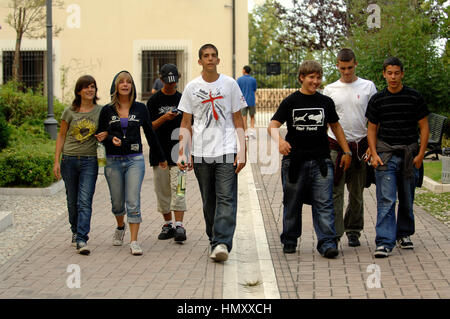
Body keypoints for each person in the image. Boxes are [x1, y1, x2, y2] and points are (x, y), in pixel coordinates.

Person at [268, 60, 352, 258]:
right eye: (311, 77)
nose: (315, 81)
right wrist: (279, 141)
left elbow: (336, 127)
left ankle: (327, 242)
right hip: (294, 161)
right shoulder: (291, 101)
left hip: (321, 160)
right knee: (292, 202)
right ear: (302, 78)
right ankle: (289, 239)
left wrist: (346, 151)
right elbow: (272, 125)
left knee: (324, 202)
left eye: (318, 78)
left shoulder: (325, 102)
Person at [177, 44, 247, 262]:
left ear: (218, 60)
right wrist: (182, 152)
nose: (210, 59)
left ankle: (222, 243)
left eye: (213, 56)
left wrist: (242, 151)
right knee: (209, 200)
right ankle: (214, 238)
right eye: (205, 56)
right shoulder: (191, 88)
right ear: (199, 61)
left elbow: (238, 119)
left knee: (226, 197)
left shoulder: (230, 84)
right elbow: (186, 122)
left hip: (226, 149)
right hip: (201, 152)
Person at [97, 70, 167, 256]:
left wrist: (161, 157)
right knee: (117, 203)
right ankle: (120, 226)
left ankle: (134, 241)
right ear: (116, 86)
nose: (125, 84)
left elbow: (150, 134)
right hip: (113, 161)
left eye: (129, 82)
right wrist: (110, 138)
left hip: (135, 160)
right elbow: (101, 135)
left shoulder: (140, 109)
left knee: (133, 201)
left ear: (132, 86)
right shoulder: (107, 110)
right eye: (122, 82)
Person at [366, 57, 429, 258]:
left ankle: (404, 234)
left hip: (410, 153)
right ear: (384, 74)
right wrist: (374, 154)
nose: (393, 77)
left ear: (402, 73)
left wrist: (421, 154)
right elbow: (372, 129)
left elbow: (424, 126)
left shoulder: (414, 97)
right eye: (389, 73)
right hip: (386, 154)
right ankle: (384, 241)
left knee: (407, 198)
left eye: (396, 73)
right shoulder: (377, 99)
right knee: (386, 199)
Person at [323, 48, 377, 247]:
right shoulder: (330, 90)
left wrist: (373, 147)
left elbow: (375, 119)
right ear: (337, 65)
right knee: (336, 192)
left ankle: (353, 230)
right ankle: (335, 234)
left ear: (356, 64)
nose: (347, 71)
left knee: (357, 192)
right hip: (336, 146)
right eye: (343, 68)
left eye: (350, 67)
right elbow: (327, 122)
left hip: (361, 145)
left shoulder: (368, 87)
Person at [53, 75, 106, 255]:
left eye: (93, 87)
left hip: (89, 161)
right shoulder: (69, 112)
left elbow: (106, 130)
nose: (90, 90)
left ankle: (82, 238)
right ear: (79, 91)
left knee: (85, 200)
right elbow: (61, 136)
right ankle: (75, 231)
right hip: (68, 159)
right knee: (72, 200)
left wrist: (104, 135)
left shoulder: (100, 111)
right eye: (86, 87)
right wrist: (56, 161)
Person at [146, 63, 187, 242]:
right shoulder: (153, 101)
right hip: (159, 154)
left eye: (175, 82)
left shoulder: (183, 98)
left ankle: (179, 226)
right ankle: (167, 224)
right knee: (162, 191)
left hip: (179, 153)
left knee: (179, 190)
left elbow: (189, 126)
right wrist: (164, 117)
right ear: (161, 80)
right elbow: (148, 128)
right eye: (168, 82)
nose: (172, 85)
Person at [237, 65, 257, 139]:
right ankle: (251, 133)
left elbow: (237, 90)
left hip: (243, 101)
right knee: (252, 117)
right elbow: (254, 90)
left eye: (242, 70)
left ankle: (245, 134)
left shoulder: (239, 79)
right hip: (251, 100)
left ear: (244, 70)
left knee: (244, 117)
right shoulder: (253, 80)